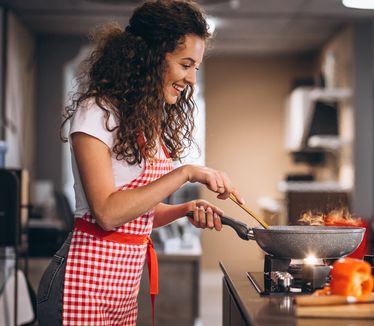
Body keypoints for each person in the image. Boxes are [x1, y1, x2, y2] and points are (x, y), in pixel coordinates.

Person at [36, 1, 243, 324]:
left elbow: (137, 215)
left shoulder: (144, 121)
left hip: (120, 290)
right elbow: (107, 212)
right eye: (185, 64)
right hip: (81, 283)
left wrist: (183, 211)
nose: (191, 80)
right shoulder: (97, 111)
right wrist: (187, 172)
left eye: (196, 68)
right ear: (151, 57)